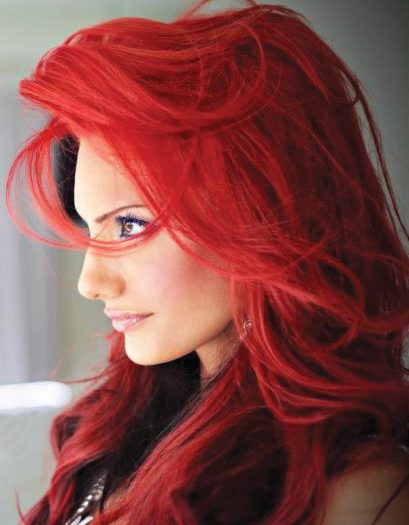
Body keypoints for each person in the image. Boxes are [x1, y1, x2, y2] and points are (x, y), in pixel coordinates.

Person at [6, 0, 409, 523]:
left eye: (130, 225)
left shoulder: (359, 493)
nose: (91, 281)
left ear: (258, 216)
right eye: (90, 229)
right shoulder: (114, 428)